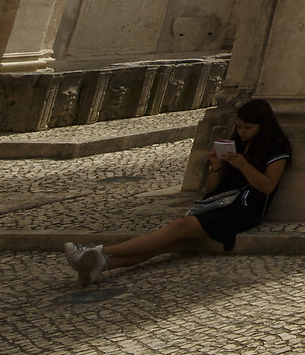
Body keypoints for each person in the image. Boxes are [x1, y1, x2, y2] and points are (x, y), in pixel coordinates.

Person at [65, 99, 291, 286]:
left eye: (247, 128)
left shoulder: (277, 147)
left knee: (180, 227)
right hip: (218, 202)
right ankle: (102, 264)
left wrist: (243, 165)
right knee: (171, 242)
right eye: (239, 126)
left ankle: (94, 251)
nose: (241, 132)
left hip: (244, 209)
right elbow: (211, 188)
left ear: (263, 126)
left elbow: (267, 186)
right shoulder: (237, 142)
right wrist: (216, 165)